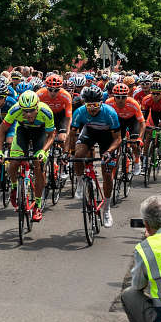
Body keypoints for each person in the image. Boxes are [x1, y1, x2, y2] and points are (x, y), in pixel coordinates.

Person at [0, 90, 55, 221]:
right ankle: (15, 187)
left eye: (31, 110)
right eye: (25, 111)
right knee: (14, 162)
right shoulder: (14, 110)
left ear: (37, 107)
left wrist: (43, 151)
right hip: (23, 131)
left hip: (41, 133)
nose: (28, 114)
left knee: (38, 166)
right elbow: (1, 131)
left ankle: (37, 205)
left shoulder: (46, 112)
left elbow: (51, 136)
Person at [67, 85, 121, 228]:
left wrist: (108, 152)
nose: (92, 108)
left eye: (96, 105)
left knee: (107, 173)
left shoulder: (110, 113)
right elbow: (71, 135)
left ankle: (107, 209)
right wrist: (68, 152)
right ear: (84, 103)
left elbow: (118, 139)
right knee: (78, 156)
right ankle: (79, 183)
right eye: (89, 105)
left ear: (101, 103)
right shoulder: (80, 112)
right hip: (89, 133)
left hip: (107, 138)